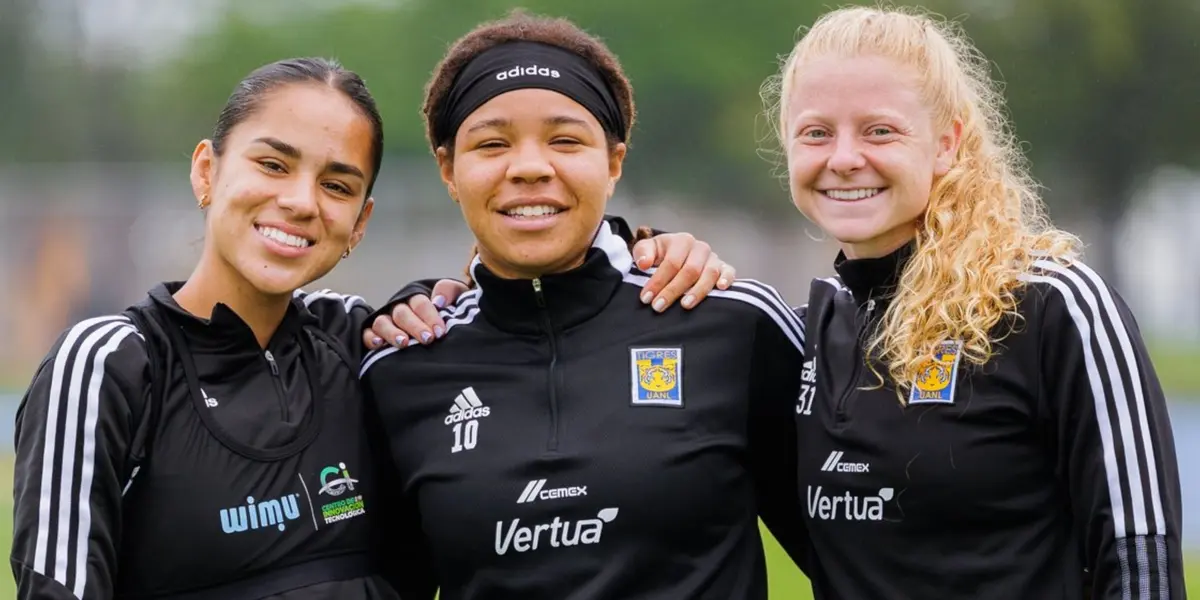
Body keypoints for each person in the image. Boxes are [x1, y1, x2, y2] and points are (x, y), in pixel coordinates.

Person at [7, 56, 721, 599]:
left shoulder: (370, 348)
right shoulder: (109, 364)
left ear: (359, 225)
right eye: (272, 163)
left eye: (337, 185)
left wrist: (650, 249)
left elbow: (519, 298)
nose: (299, 201)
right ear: (207, 171)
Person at [358, 11, 810, 599]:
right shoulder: (399, 366)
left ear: (614, 162)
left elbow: (859, 557)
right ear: (448, 169)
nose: (528, 168)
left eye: (565, 140)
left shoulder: (730, 323)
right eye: (491, 143)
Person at [763, 6, 1184, 599]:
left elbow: (1140, 564)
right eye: (816, 133)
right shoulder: (809, 329)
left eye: (879, 130)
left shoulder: (1054, 306)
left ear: (947, 144)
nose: (844, 158)